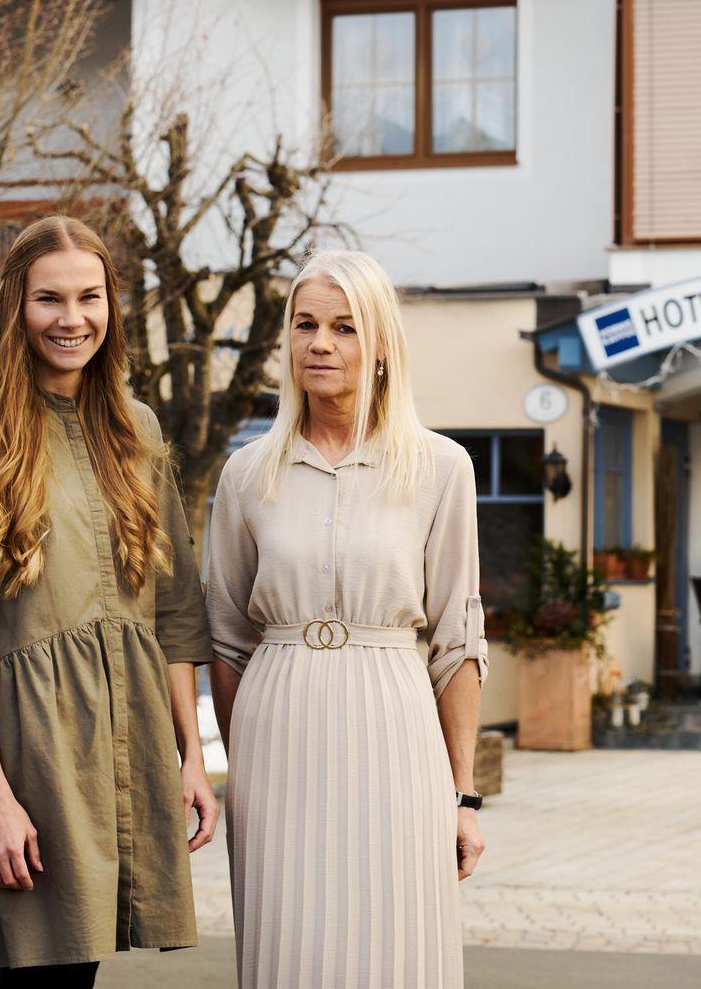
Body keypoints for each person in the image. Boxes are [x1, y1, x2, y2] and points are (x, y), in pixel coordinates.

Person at [0, 215, 217, 986]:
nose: (72, 318)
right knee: (44, 974)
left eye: (90, 297)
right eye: (49, 298)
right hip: (34, 758)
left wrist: (191, 756)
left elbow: (176, 614)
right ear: (15, 306)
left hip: (135, 741)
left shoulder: (137, 428)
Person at [204, 249, 488, 989]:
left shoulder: (440, 467)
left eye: (344, 327)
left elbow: (458, 644)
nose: (320, 344)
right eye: (305, 325)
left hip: (396, 726)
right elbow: (226, 641)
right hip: (275, 736)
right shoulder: (247, 473)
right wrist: (244, 764)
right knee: (288, 946)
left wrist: (463, 796)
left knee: (397, 943)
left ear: (382, 344)